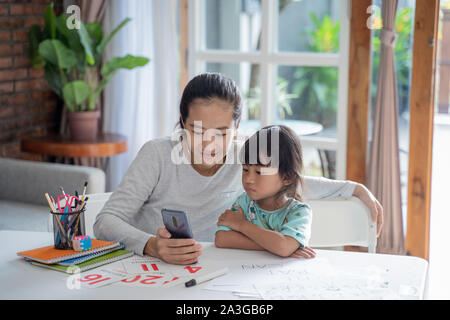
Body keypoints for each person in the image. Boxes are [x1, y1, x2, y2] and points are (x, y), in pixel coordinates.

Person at [94, 73, 383, 265]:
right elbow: (106, 221)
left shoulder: (246, 156)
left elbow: (290, 181)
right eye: (198, 130)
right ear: (182, 122)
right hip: (154, 270)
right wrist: (151, 245)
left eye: (221, 132)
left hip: (223, 269)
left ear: (237, 128)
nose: (210, 143)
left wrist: (356, 188)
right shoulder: (157, 154)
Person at [215, 125, 316, 259]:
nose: (249, 179)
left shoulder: (299, 212)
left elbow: (283, 247)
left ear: (287, 177)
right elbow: (222, 239)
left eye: (259, 172)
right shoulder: (244, 202)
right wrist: (271, 246)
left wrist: (241, 225)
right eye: (245, 169)